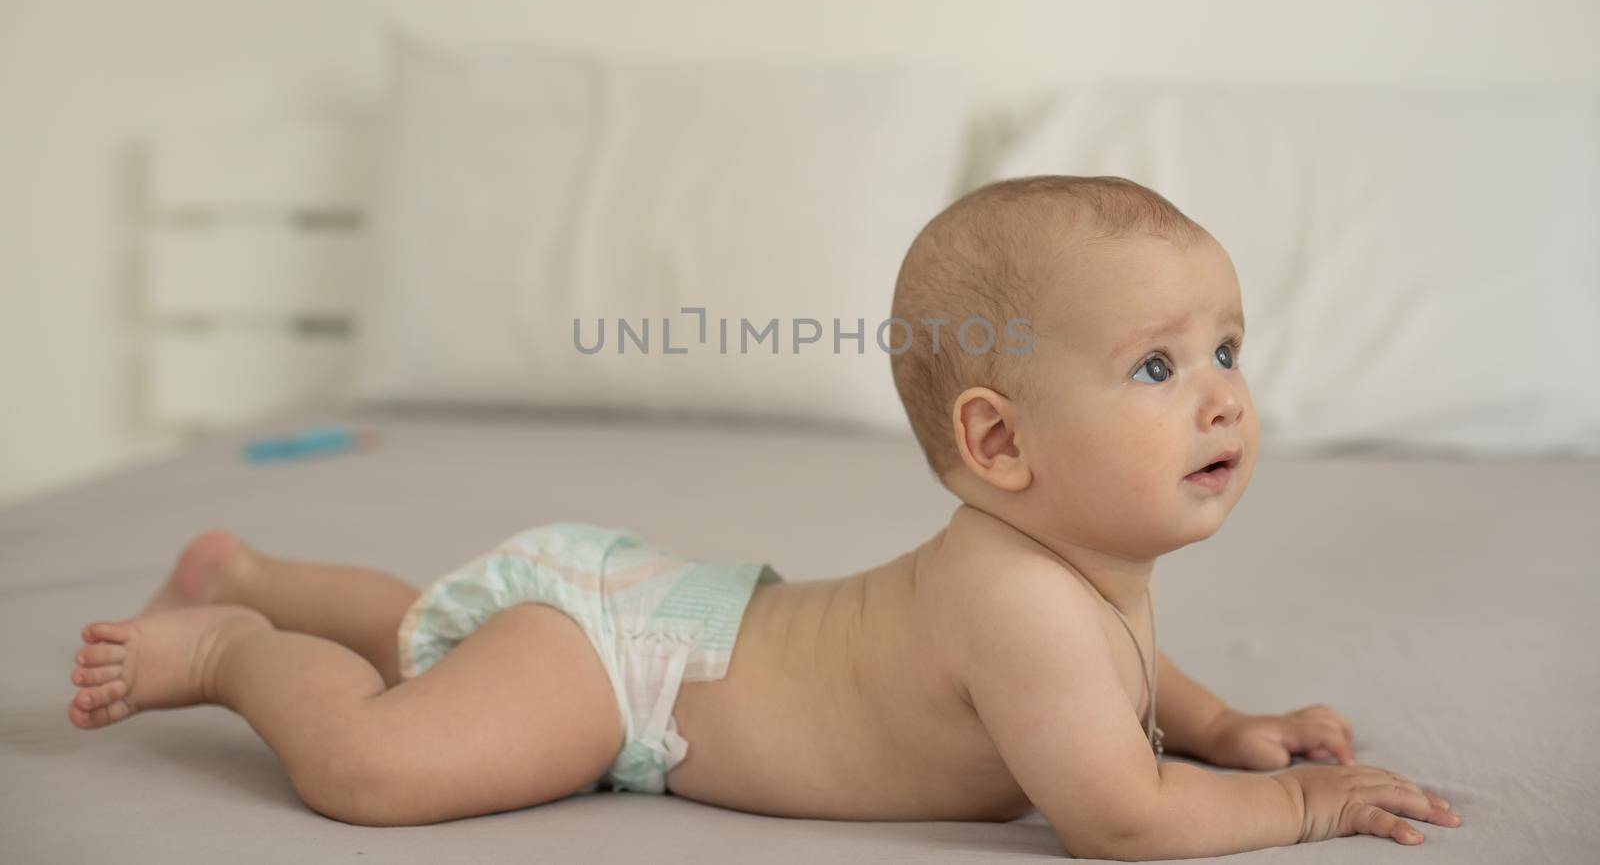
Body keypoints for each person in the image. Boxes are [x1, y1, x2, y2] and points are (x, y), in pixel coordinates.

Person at [67, 175, 1461, 857]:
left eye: (1227, 351)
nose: (1221, 399)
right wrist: (1296, 799)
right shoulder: (1017, 594)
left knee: (453, 633)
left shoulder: (1064, 578)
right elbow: (1116, 811)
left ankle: (250, 564)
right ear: (1001, 442)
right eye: (1158, 368)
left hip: (651, 618)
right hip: (632, 676)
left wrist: (1221, 723)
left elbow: (1123, 679)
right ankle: (237, 642)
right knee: (383, 768)